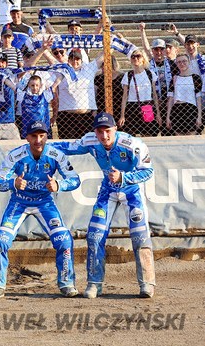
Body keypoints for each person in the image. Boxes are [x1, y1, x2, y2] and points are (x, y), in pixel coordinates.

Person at [53, 112, 156, 298]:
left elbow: (148, 172)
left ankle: (147, 283)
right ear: (95, 132)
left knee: (140, 236)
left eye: (108, 131)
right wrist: (42, 145)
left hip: (131, 191)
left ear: (115, 129)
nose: (104, 136)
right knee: (94, 235)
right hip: (107, 190)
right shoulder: (90, 141)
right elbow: (68, 147)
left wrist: (124, 177)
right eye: (100, 132)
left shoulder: (133, 144)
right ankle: (94, 284)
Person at [0, 120, 80, 299]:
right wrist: (12, 183)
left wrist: (59, 185)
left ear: (47, 136)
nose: (38, 140)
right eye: (34, 136)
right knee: (0, 239)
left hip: (44, 202)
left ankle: (66, 283)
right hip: (19, 202)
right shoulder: (15, 155)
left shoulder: (56, 155)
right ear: (27, 137)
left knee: (64, 239)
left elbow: (74, 179)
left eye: (42, 135)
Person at [119, 49, 162, 137]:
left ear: (143, 59)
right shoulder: (128, 75)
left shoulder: (150, 74)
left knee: (149, 133)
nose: (135, 58)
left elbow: (154, 94)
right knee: (131, 135)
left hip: (147, 105)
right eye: (133, 57)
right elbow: (124, 97)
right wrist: (122, 115)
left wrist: (157, 113)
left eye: (138, 56)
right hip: (132, 106)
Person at [167, 53, 203, 135]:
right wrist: (168, 117)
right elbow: (170, 99)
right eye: (179, 62)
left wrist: (199, 116)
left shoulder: (195, 78)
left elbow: (198, 99)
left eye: (184, 61)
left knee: (191, 137)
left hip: (191, 110)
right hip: (177, 110)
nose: (182, 64)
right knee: (179, 139)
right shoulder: (174, 78)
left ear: (189, 62)